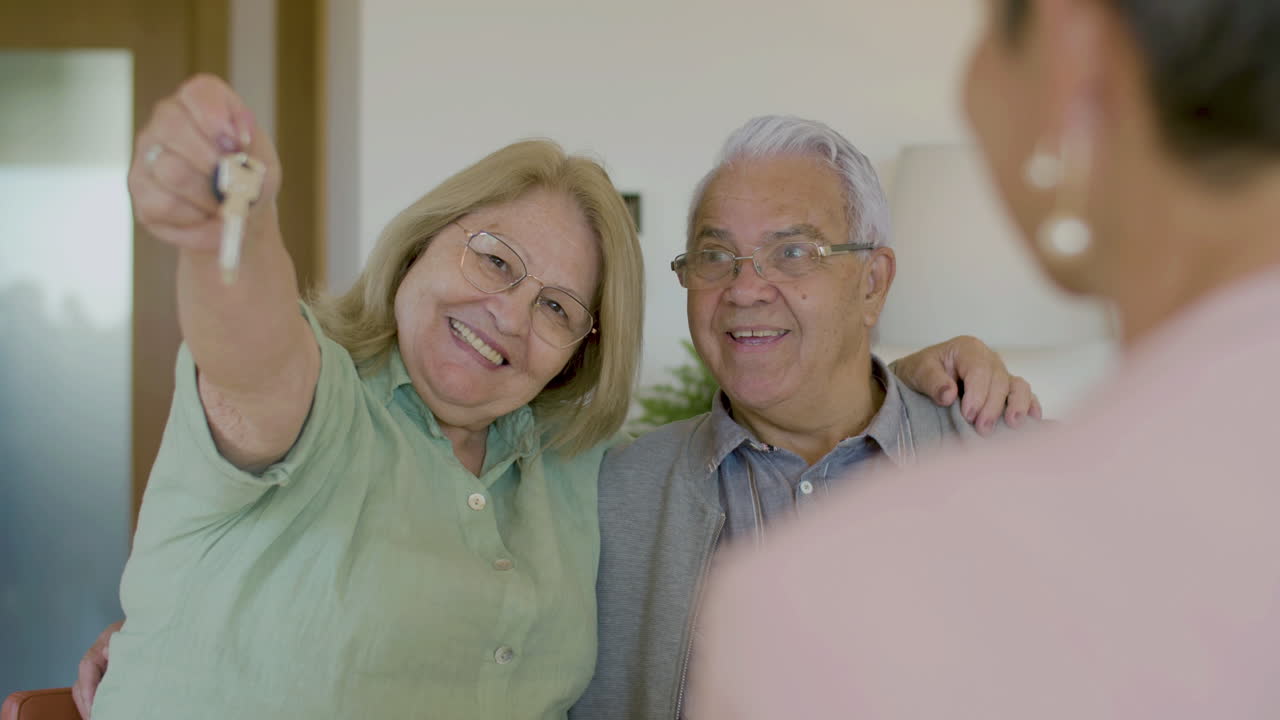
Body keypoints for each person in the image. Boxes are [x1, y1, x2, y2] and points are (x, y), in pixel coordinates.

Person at [72, 76, 1031, 718]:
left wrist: (916, 391)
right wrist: (222, 227)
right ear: (422, 243)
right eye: (493, 258)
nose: (747, 286)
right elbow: (252, 358)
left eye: (557, 304)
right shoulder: (600, 482)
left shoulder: (567, 474)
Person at [692, 0, 1280, 717]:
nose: (747, 288)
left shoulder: (817, 597)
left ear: (1072, 53)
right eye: (716, 255)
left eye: (989, 31)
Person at [571, 115, 1039, 719]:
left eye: (792, 253)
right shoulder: (611, 497)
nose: (744, 289)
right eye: (715, 255)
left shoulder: (1017, 468)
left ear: (873, 283)